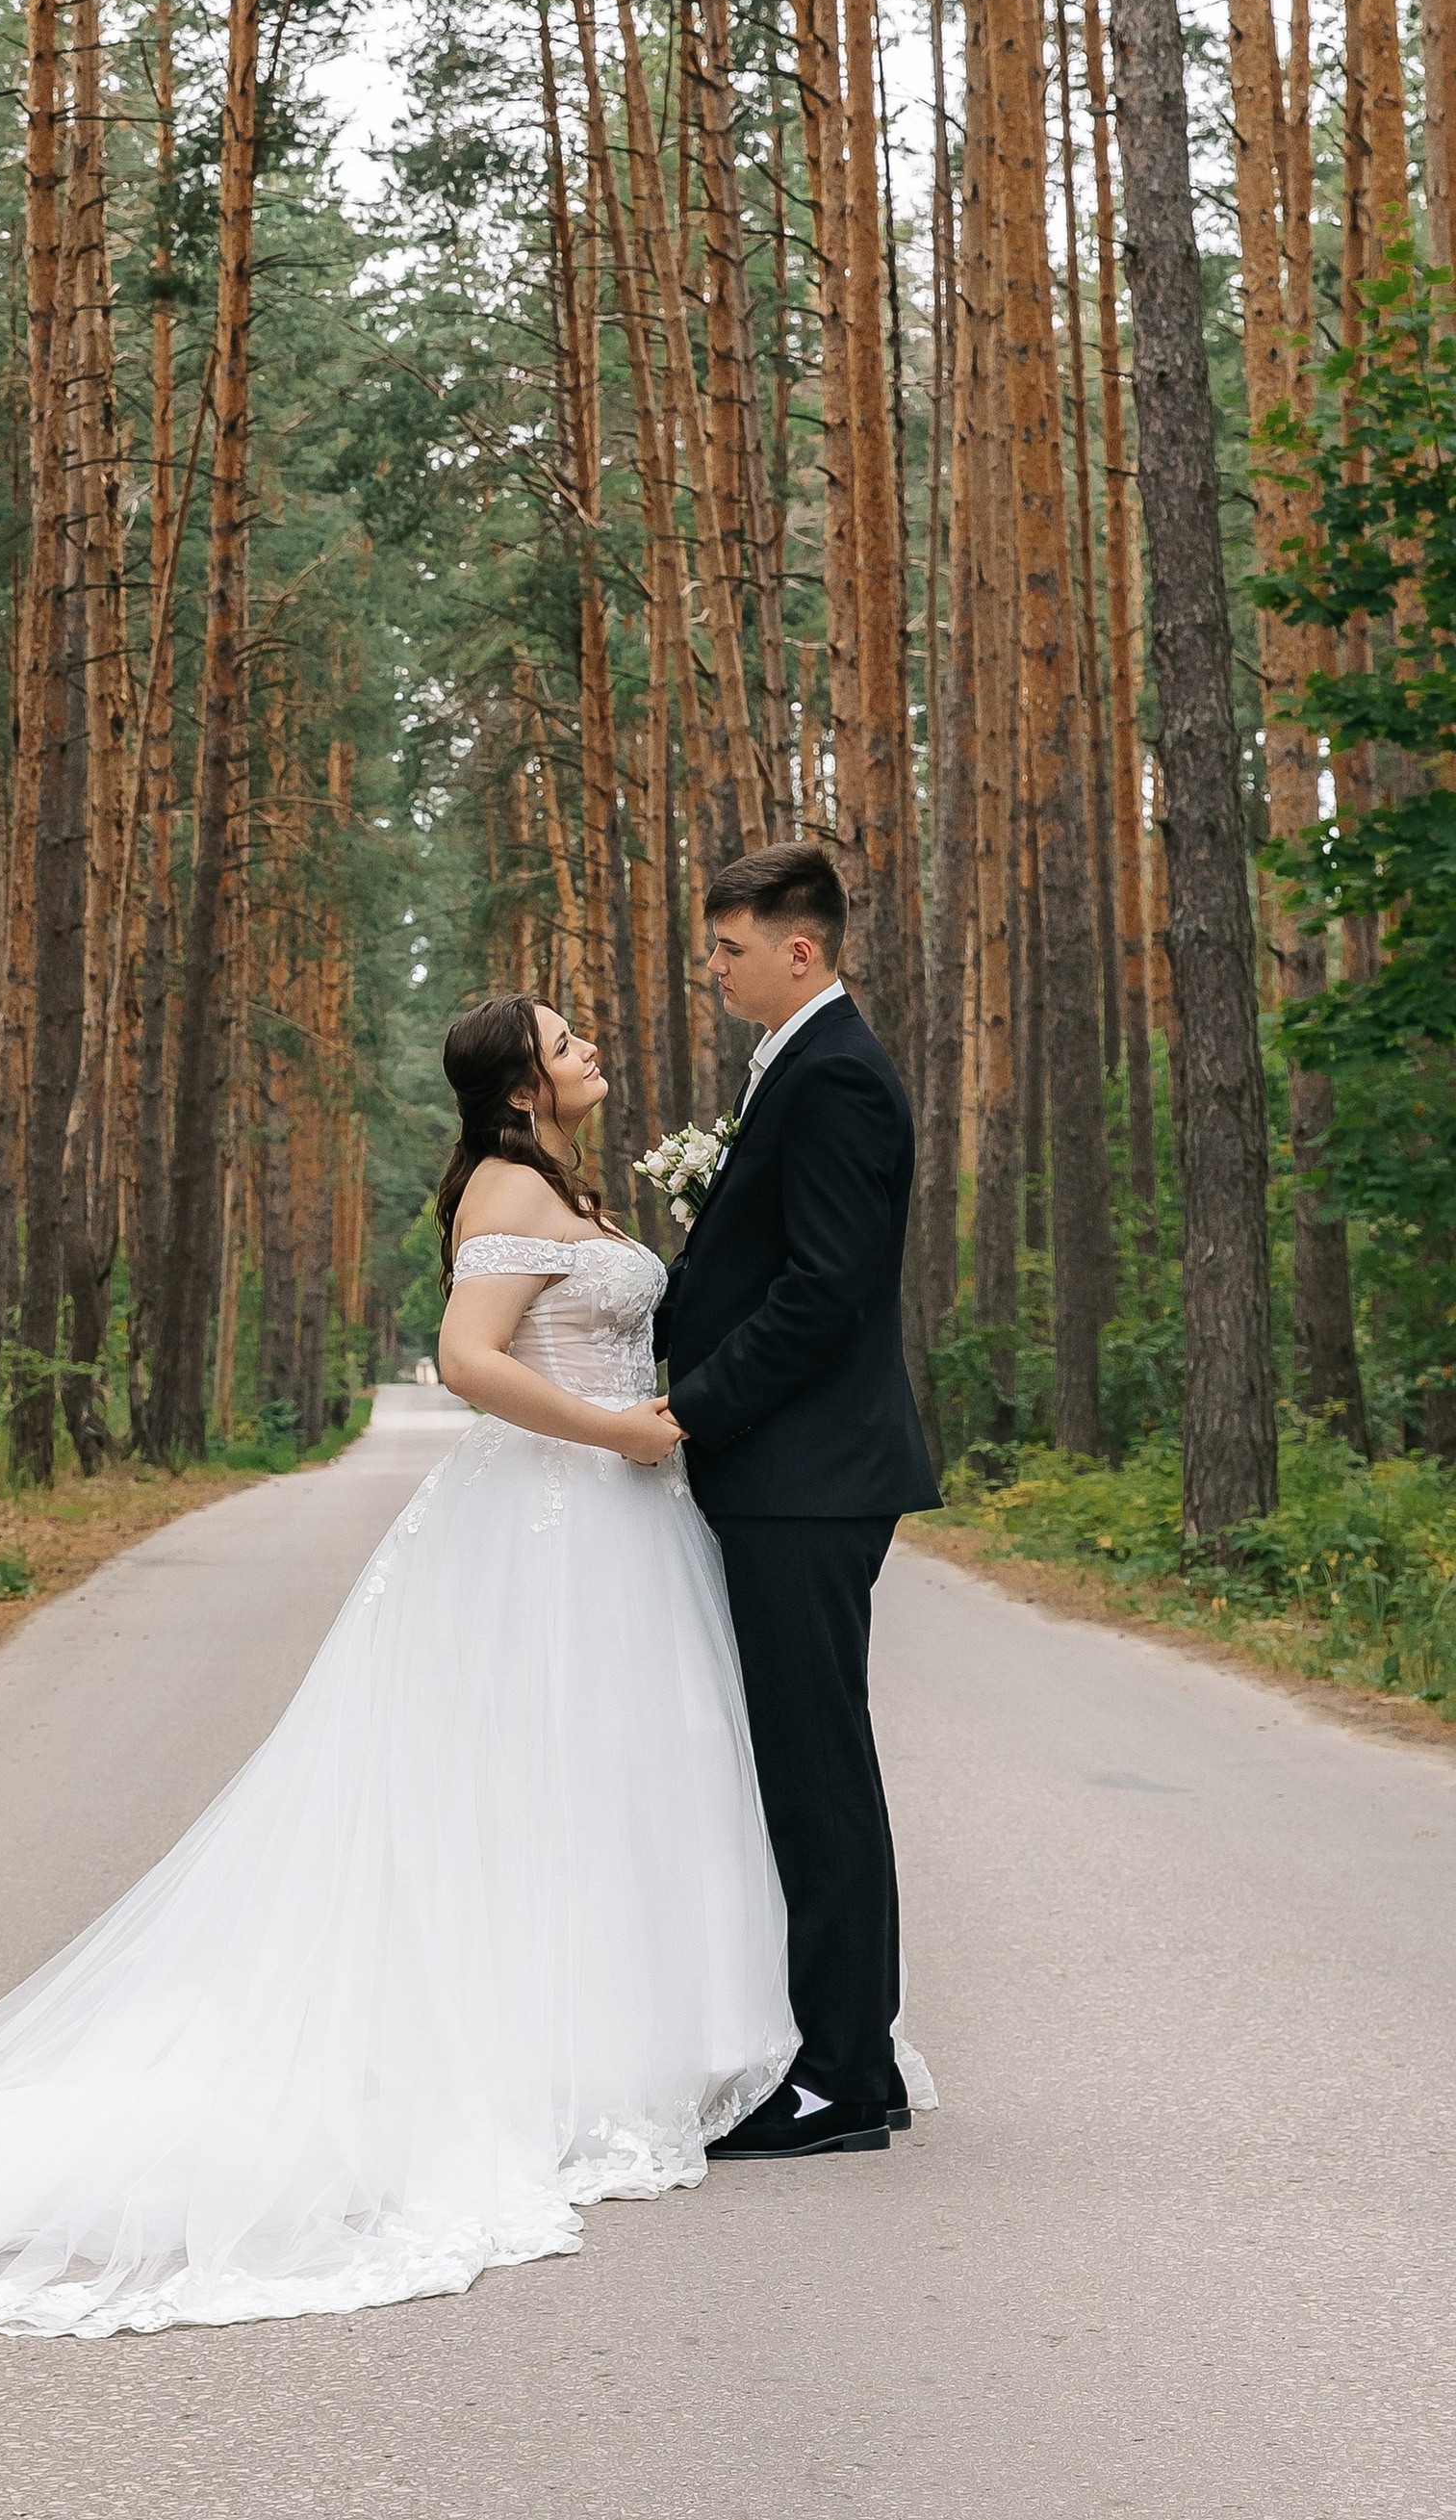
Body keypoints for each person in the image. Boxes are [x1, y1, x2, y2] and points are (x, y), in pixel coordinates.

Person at [0, 991, 799, 2336]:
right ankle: (546, 2060)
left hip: (609, 1525)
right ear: (520, 1087)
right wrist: (616, 1433)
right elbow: (467, 1359)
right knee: (537, 1771)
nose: (593, 1045)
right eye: (566, 1038)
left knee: (600, 1777)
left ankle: (628, 2040)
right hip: (558, 1515)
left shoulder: (553, 1184)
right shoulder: (507, 1186)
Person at [640, 842, 942, 2158]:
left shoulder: (834, 1078)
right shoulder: (803, 1067)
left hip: (805, 1477)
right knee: (811, 1760)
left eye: (727, 948)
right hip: (791, 1475)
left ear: (799, 951)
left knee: (815, 1767)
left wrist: (695, 1403)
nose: (712, 969)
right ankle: (853, 2063)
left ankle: (834, 2075)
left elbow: (824, 1290)